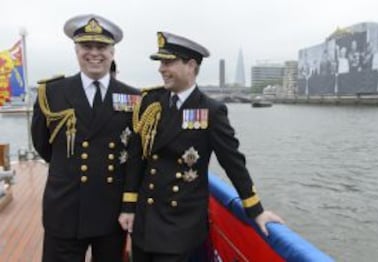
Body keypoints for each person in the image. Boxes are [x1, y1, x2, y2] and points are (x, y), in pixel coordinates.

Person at [118, 31, 284, 262]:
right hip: (146, 219)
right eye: (161, 63)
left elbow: (232, 161)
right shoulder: (150, 102)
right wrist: (128, 206)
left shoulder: (211, 111)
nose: (161, 69)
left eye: (168, 62)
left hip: (179, 225)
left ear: (191, 65)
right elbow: (137, 157)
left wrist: (256, 210)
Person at [31, 14, 140, 262]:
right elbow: (42, 145)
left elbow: (135, 158)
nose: (94, 53)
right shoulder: (51, 92)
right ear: (76, 50)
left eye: (101, 47)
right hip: (64, 208)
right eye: (86, 47)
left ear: (112, 52)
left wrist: (129, 206)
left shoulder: (133, 99)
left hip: (111, 211)